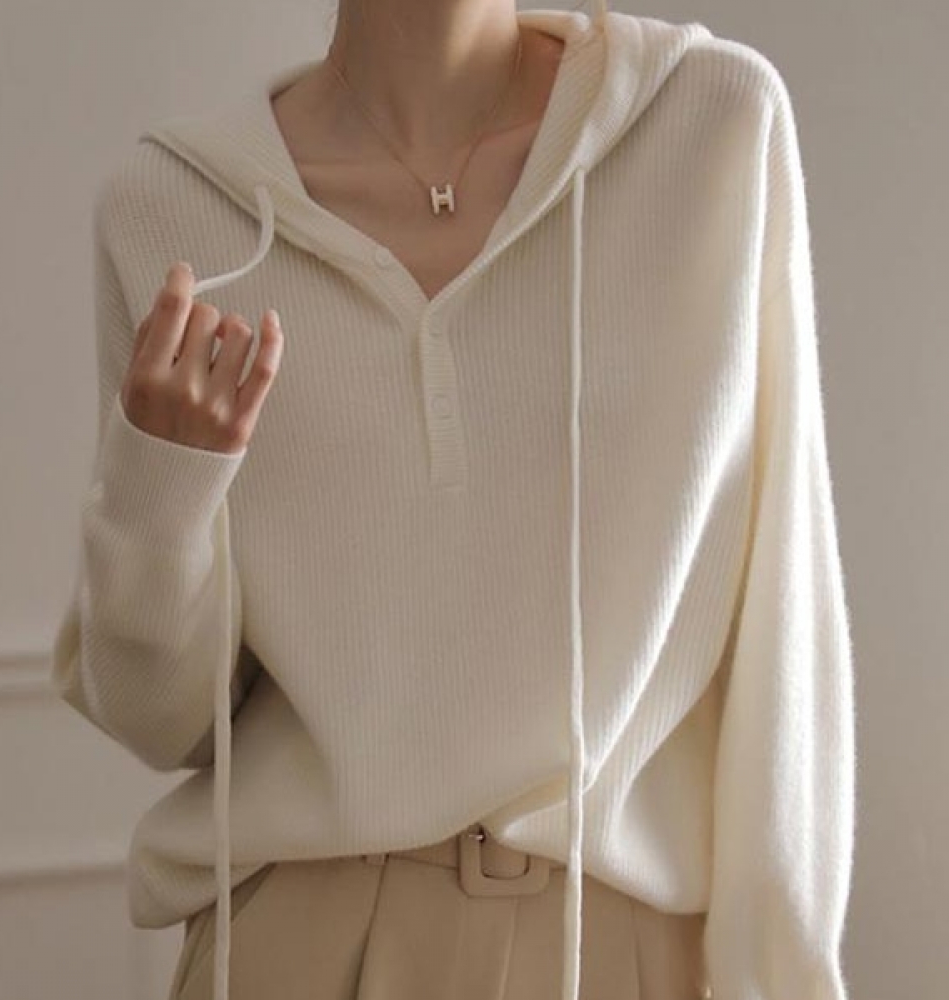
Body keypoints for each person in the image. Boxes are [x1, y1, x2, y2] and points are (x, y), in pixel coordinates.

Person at [50, 1, 857, 999]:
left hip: (620, 949)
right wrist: (161, 490)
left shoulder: (712, 122)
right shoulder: (169, 209)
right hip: (295, 947)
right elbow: (165, 723)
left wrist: (786, 973)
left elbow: (786, 613)